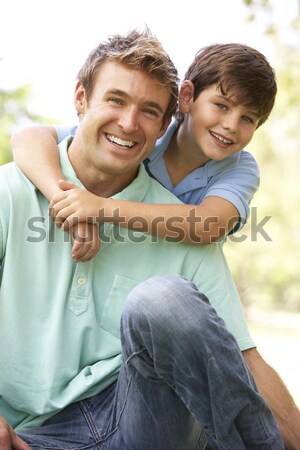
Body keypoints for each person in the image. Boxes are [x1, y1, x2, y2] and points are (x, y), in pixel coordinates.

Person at [1, 29, 299, 450]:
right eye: (116, 100)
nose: (128, 122)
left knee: (163, 300)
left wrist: (99, 210)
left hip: (138, 421)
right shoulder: (17, 187)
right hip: (30, 433)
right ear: (81, 99)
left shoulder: (213, 195)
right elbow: (29, 135)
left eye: (148, 111)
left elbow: (240, 354)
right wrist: (64, 198)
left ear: (163, 120)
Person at [11, 42, 277, 262]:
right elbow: (28, 137)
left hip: (173, 272)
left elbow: (208, 225)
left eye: (248, 119)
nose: (231, 125)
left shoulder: (240, 168)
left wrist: (101, 208)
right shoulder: (141, 135)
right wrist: (68, 204)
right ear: (187, 96)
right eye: (221, 105)